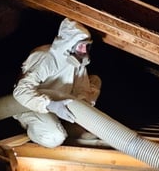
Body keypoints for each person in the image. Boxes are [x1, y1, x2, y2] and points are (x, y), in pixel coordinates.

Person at [12, 17, 102, 148]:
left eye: (87, 46)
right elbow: (21, 92)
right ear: (68, 44)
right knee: (55, 137)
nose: (84, 51)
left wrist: (83, 110)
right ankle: (32, 130)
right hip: (31, 106)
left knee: (95, 81)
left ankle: (64, 123)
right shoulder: (44, 57)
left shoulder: (77, 62)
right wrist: (52, 106)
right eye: (81, 46)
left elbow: (82, 89)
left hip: (59, 105)